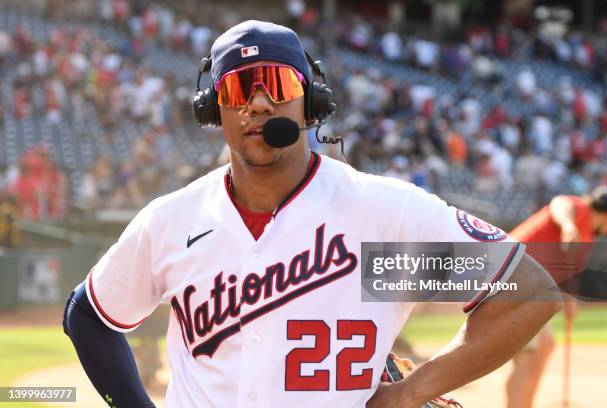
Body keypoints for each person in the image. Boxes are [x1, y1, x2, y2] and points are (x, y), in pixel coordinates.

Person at [63, 20, 559, 408]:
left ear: (311, 103)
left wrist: (413, 390)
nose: (257, 104)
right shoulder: (172, 221)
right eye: (238, 90)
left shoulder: (381, 219)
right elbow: (87, 315)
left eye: (276, 85)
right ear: (214, 111)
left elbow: (526, 293)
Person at [506, 186, 607, 408]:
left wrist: (570, 302)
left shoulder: (587, 238)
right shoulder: (579, 211)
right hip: (511, 272)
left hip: (522, 280)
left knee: (544, 344)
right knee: (529, 353)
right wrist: (568, 224)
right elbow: (560, 203)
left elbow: (567, 273)